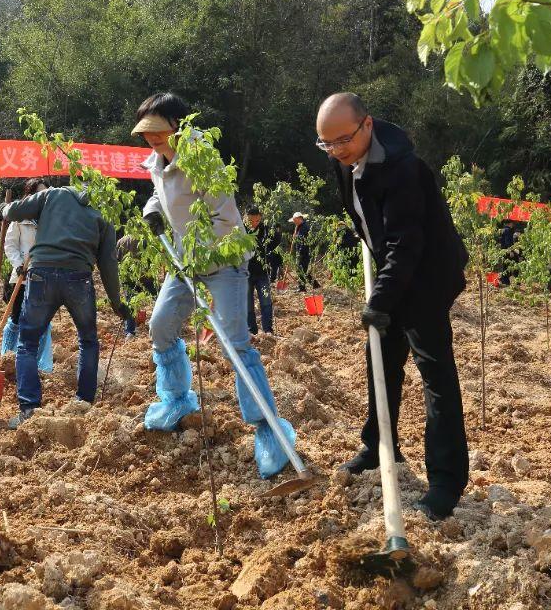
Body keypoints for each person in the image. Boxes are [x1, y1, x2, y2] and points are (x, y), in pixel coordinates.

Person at [317, 92, 469, 521]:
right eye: (326, 144)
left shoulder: (404, 169)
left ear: (367, 125)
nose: (335, 151)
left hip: (426, 276)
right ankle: (379, 446)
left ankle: (446, 482)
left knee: (435, 375)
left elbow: (407, 243)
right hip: (394, 268)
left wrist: (381, 299)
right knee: (380, 361)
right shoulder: (345, 158)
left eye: (342, 141)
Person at [135, 92, 296, 479]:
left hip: (223, 259)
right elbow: (160, 194)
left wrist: (202, 257)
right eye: (146, 131)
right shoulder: (157, 162)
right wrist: (153, 210)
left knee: (233, 343)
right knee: (160, 325)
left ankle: (268, 430)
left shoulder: (201, 159)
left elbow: (223, 217)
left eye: (158, 130)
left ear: (178, 126)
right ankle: (177, 399)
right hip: (184, 260)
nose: (151, 138)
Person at [0, 186, 132, 429]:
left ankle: (29, 410)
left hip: (41, 276)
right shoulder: (102, 214)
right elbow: (108, 264)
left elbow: (18, 210)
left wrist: (4, 209)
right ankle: (84, 404)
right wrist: (117, 304)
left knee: (27, 344)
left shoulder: (52, 194)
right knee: (88, 341)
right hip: (78, 279)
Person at [0, 178, 54, 373]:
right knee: (16, 319)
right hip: (22, 277)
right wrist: (18, 265)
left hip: (44, 277)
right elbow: (10, 245)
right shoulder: (20, 220)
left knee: (43, 322)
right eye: (39, 194)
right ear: (30, 196)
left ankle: (40, 366)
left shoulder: (52, 220)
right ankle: (6, 359)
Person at [244, 206, 276, 336]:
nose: (254, 223)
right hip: (246, 273)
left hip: (262, 272)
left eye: (257, 221)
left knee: (266, 301)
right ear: (245, 218)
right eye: (251, 221)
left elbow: (274, 242)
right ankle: (252, 330)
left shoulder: (265, 230)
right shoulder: (240, 230)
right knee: (248, 303)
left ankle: (268, 330)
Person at [287, 212, 319, 291]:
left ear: (300, 219)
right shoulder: (299, 227)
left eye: (295, 220)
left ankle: (302, 287)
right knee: (303, 270)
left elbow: (303, 241)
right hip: (301, 251)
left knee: (301, 270)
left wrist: (300, 252)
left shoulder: (304, 227)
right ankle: (315, 285)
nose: (294, 222)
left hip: (304, 252)